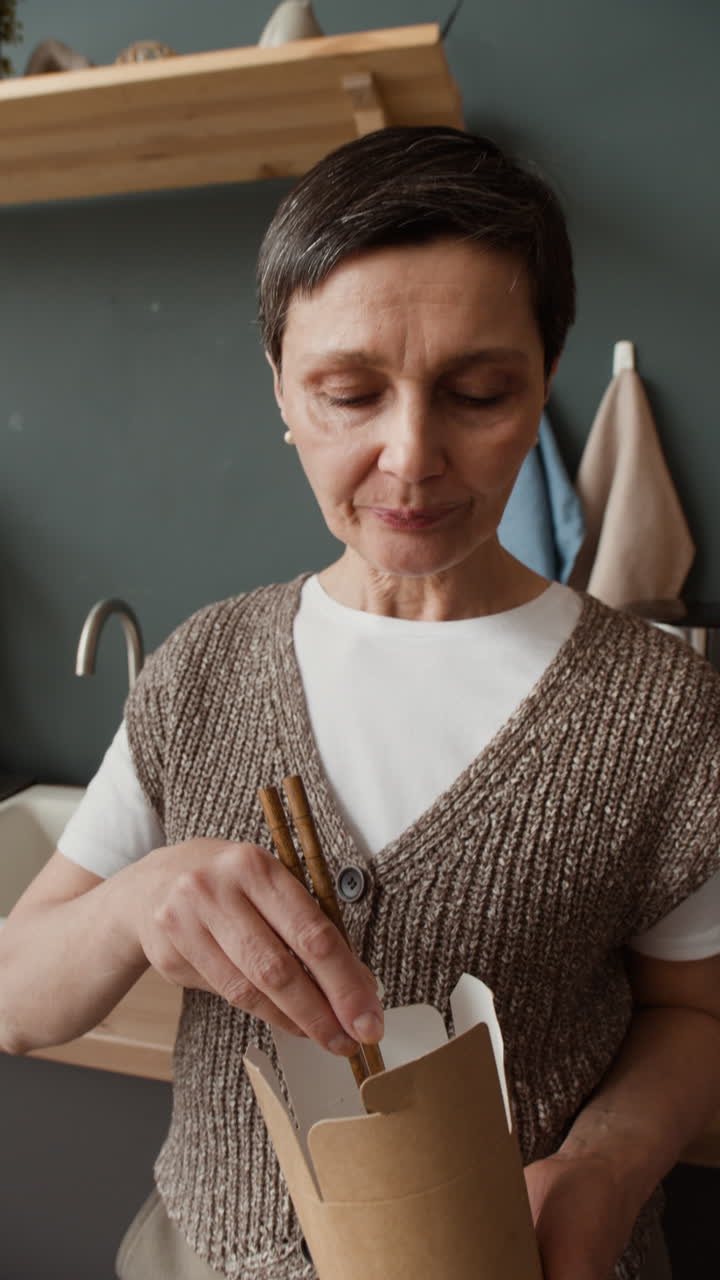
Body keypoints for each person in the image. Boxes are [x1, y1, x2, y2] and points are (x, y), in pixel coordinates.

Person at [2, 127, 720, 1280]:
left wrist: (605, 1167)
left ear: (544, 380)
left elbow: (696, 1015)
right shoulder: (203, 670)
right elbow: (14, 998)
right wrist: (136, 903)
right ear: (282, 392)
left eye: (478, 391)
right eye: (347, 393)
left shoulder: (661, 705)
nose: (410, 454)